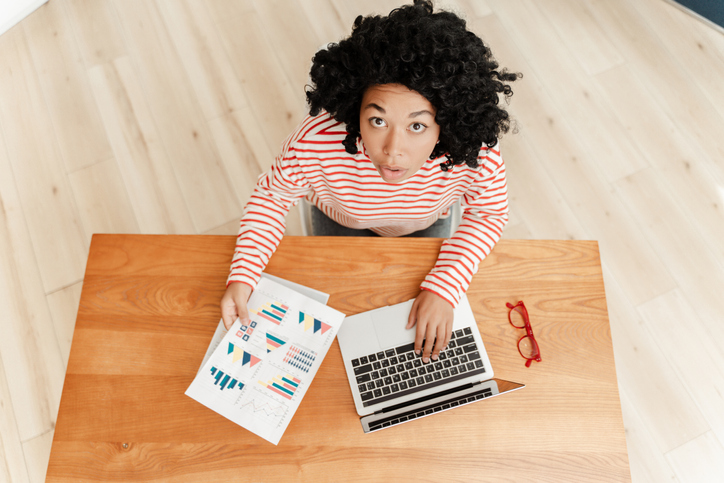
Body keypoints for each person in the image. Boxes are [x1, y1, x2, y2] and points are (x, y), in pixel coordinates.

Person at [220, 0, 519, 364]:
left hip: (427, 224)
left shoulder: (474, 150)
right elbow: (272, 196)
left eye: (417, 126)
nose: (393, 150)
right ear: (355, 107)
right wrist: (243, 276)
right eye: (378, 121)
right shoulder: (317, 140)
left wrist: (445, 287)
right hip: (338, 221)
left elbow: (488, 214)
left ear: (448, 122)